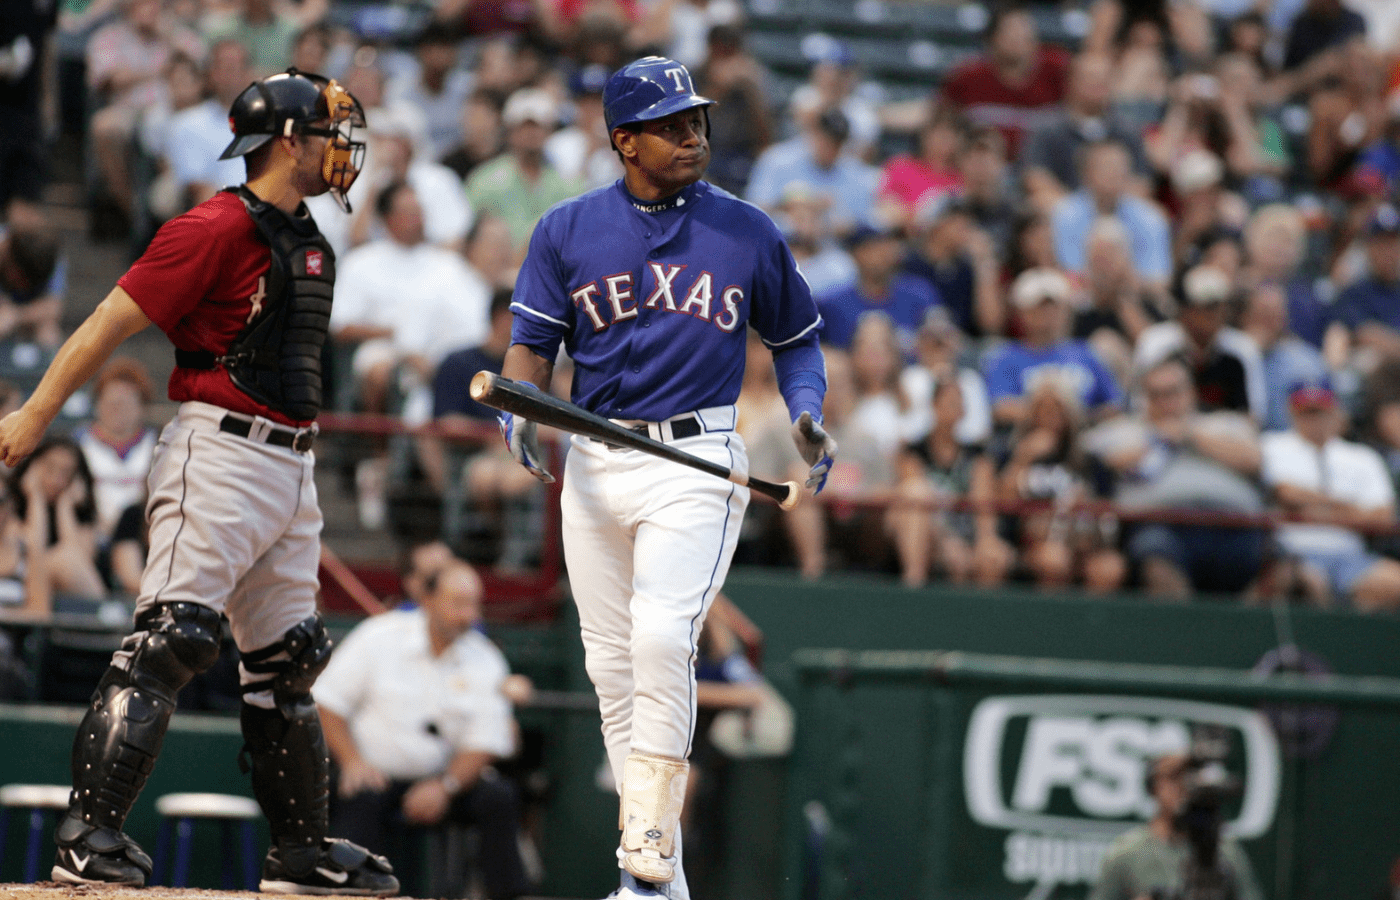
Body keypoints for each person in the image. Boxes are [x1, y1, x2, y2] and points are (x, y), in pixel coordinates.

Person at [0, 69, 398, 894]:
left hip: (295, 463)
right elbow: (110, 319)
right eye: (326, 133)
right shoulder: (213, 225)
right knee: (173, 638)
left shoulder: (312, 235)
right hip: (219, 451)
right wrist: (34, 417)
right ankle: (88, 835)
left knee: (288, 663)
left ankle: (298, 855)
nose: (339, 149)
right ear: (286, 141)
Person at [496, 55, 835, 900]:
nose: (694, 136)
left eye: (698, 121)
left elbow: (796, 339)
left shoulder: (747, 230)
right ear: (624, 141)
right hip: (595, 460)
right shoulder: (567, 229)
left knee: (659, 637)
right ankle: (659, 882)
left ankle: (645, 864)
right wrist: (517, 407)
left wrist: (805, 407)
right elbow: (531, 349)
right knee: (612, 667)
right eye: (673, 125)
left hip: (694, 459)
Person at [315, 562, 533, 899]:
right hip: (374, 776)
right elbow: (327, 702)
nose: (468, 615)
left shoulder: (485, 657)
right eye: (458, 603)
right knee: (358, 795)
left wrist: (445, 787)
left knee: (499, 798)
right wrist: (352, 760)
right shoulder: (380, 635)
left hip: (445, 781)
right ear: (428, 600)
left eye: (474, 605)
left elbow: (486, 740)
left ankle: (510, 897)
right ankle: (349, 894)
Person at [1262, 377, 1400, 610]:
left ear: (1335, 411)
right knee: (1306, 585)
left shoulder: (1362, 456)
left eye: (1320, 411)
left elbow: (1382, 517)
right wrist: (1350, 510)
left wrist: (1322, 509)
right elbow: (1285, 493)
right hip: (1293, 553)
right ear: (1291, 411)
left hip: (1350, 556)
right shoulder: (1272, 446)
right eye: (1306, 412)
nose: (1313, 419)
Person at [1090, 752, 1264, 900]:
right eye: (1174, 777)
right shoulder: (1127, 852)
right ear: (1153, 786)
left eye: (1190, 778)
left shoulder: (1223, 850)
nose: (1182, 786)